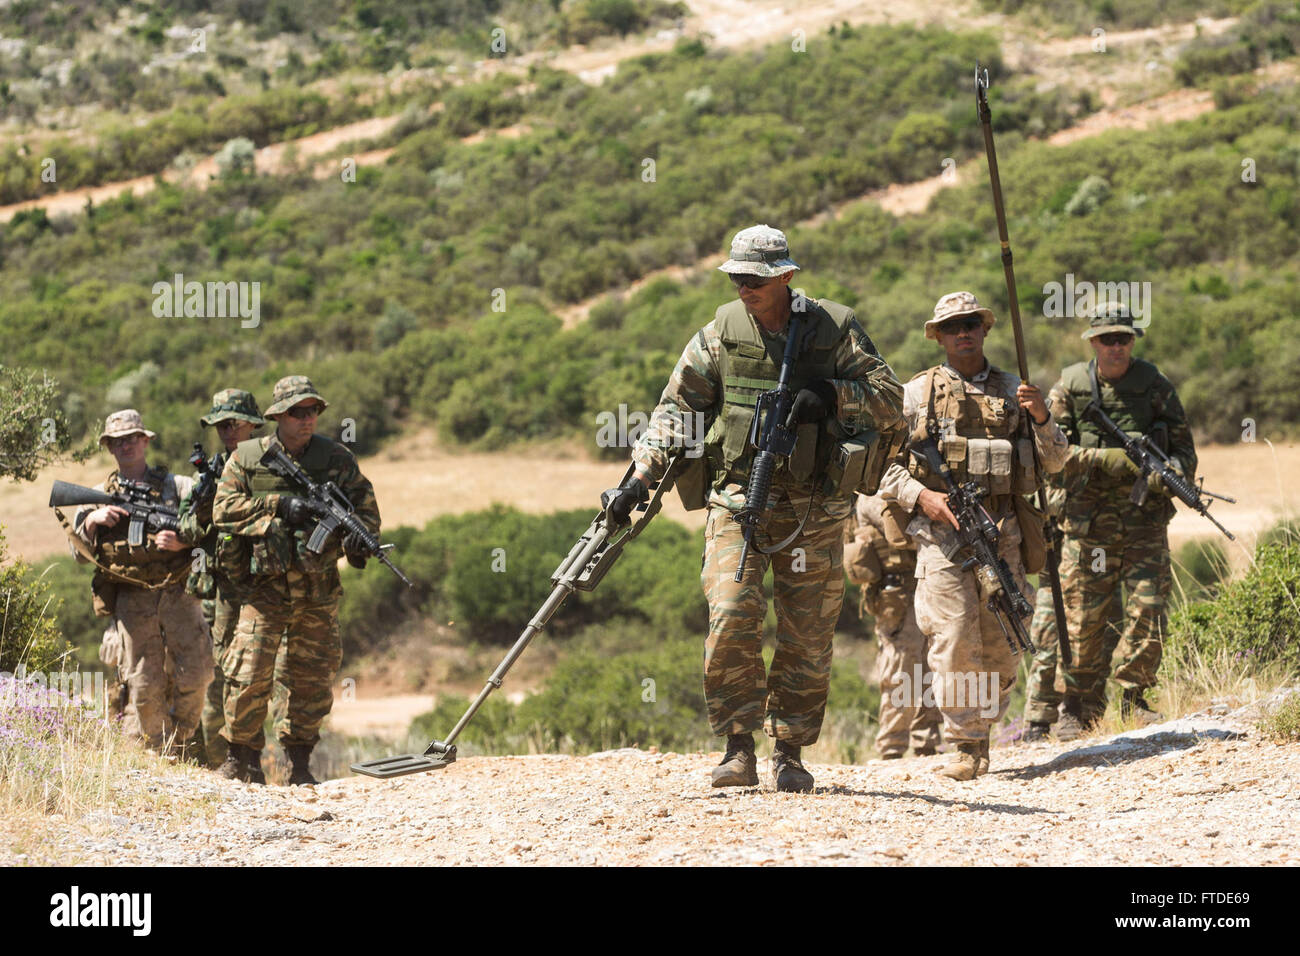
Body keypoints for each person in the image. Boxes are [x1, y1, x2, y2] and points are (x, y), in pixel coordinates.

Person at [604, 224, 904, 792]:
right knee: (731, 616)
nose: (744, 287)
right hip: (737, 498)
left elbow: (891, 396)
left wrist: (831, 396)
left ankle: (789, 751)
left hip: (814, 505)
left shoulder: (833, 328)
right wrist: (637, 478)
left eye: (755, 278)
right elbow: (677, 410)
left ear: (786, 276)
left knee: (807, 634)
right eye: (737, 277)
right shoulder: (722, 332)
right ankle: (737, 744)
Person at [880, 291, 1068, 780]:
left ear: (985, 330)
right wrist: (923, 498)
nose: (963, 332)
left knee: (1005, 638)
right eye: (952, 326)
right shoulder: (916, 395)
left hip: (1002, 531)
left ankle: (982, 732)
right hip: (942, 536)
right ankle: (964, 744)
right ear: (938, 336)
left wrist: (1042, 417)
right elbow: (880, 468)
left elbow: (1055, 461)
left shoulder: (1016, 391)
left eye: (971, 324)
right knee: (955, 637)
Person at [212, 376, 381, 785]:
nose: (306, 420)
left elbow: (367, 513)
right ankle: (242, 759)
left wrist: (357, 538)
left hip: (316, 590)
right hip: (263, 589)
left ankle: (299, 764)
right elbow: (223, 511)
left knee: (312, 679)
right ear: (277, 416)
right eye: (296, 412)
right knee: (249, 674)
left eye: (312, 412)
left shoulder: (336, 459)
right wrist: (278, 505)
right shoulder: (249, 458)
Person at [1046, 304, 1194, 739]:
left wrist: (1173, 474)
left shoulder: (1153, 385)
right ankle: (1077, 706)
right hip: (1088, 527)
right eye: (1107, 339)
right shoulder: (1071, 387)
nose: (1116, 346)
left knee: (1149, 608)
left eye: (1123, 339)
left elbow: (1184, 447)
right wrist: (1106, 459)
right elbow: (1050, 456)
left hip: (1144, 521)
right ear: (1092, 342)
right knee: (1083, 617)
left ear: (1133, 342)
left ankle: (1135, 697)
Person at [70, 409, 211, 753]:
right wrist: (91, 523)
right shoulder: (96, 495)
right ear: (109, 447)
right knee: (144, 686)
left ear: (146, 441)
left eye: (133, 438)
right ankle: (159, 753)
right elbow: (76, 553)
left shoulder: (179, 487)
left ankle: (180, 740)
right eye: (117, 441)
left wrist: (183, 542)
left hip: (178, 592)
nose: (126, 446)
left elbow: (211, 533)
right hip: (132, 599)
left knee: (197, 673)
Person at [175, 389, 267, 768]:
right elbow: (185, 530)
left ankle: (255, 757)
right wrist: (203, 507)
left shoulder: (271, 466)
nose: (227, 431)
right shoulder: (209, 472)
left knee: (259, 677)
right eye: (221, 425)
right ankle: (223, 761)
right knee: (219, 679)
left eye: (234, 423)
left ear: (252, 425)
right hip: (221, 592)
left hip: (266, 588)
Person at [843, 491, 941, 759]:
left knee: (931, 663)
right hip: (896, 592)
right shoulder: (872, 498)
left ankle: (927, 742)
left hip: (921, 583)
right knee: (901, 668)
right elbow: (906, 533)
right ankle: (892, 747)